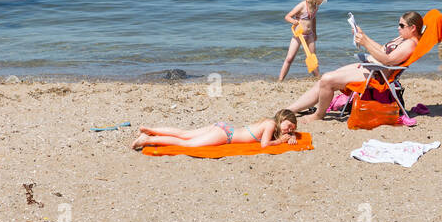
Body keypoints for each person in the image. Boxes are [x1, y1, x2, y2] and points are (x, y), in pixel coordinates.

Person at [285, 11, 423, 122]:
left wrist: (365, 44)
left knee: (328, 80)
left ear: (413, 28)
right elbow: (382, 50)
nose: (398, 28)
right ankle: (290, 110)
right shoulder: (404, 38)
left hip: (376, 75)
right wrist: (364, 36)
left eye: (402, 25)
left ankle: (318, 115)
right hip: (370, 67)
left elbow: (388, 60)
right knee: (325, 79)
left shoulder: (410, 44)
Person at [131, 110, 301, 150]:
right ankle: (148, 140)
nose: (288, 130)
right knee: (187, 143)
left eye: (291, 129)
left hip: (224, 128)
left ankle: (150, 129)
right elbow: (265, 145)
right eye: (289, 126)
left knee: (184, 133)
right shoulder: (271, 125)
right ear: (282, 118)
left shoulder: (269, 123)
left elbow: (280, 136)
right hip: (226, 135)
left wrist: (289, 136)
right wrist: (281, 141)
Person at [279, 0, 327, 80]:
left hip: (309, 36)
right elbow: (287, 17)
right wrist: (294, 21)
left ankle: (318, 78)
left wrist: (314, 32)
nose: (322, 0)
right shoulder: (302, 5)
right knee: (289, 58)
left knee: (312, 58)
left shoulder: (315, 7)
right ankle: (280, 79)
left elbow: (313, 19)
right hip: (298, 36)